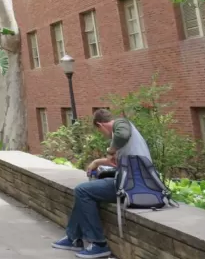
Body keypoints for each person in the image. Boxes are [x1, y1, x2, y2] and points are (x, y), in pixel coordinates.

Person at [52, 108, 152, 258]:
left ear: (101, 125)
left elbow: (121, 135)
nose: (104, 135)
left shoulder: (121, 124)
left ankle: (99, 244)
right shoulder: (127, 140)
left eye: (100, 131)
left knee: (82, 191)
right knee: (88, 190)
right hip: (131, 180)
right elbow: (119, 162)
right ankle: (73, 237)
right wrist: (98, 162)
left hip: (132, 184)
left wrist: (111, 151)